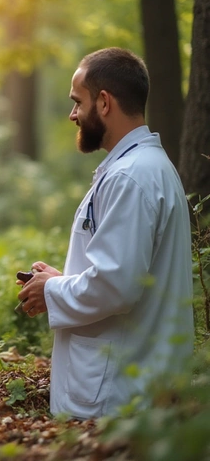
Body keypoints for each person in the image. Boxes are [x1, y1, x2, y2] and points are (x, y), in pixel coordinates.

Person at [17, 48, 194, 419]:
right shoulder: (142, 168)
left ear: (104, 101)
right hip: (129, 377)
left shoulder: (131, 177)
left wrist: (50, 291)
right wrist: (63, 281)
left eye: (77, 102)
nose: (73, 114)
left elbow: (116, 285)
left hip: (119, 394)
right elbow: (125, 272)